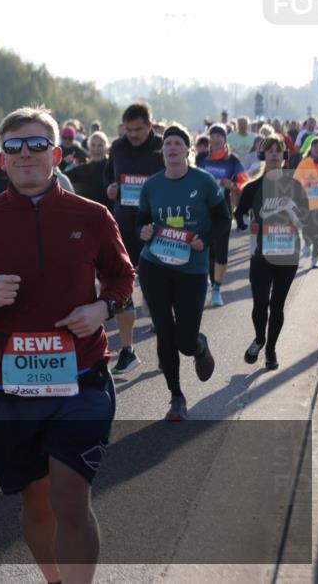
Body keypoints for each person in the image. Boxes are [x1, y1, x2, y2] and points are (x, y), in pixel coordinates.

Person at [0, 106, 134, 584]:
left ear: (55, 154)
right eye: (13, 147)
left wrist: (103, 309)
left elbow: (122, 274)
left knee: (70, 498)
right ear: (1, 160)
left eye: (35, 145)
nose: (24, 154)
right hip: (12, 388)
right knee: (38, 503)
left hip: (81, 378)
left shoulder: (91, 215)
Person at [137, 125, 228, 420]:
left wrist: (206, 239)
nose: (172, 148)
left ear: (187, 150)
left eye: (178, 143)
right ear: (162, 151)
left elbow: (222, 218)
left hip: (191, 268)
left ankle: (199, 345)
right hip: (155, 266)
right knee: (164, 332)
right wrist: (145, 230)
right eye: (168, 144)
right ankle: (176, 398)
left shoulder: (203, 181)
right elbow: (141, 220)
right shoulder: (151, 185)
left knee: (185, 341)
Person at [235, 137, 310, 369]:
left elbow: (306, 220)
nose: (275, 155)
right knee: (260, 303)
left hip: (287, 256)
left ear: (284, 155)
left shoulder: (294, 186)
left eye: (279, 151)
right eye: (270, 151)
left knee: (277, 306)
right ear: (262, 155)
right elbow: (239, 216)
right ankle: (259, 338)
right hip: (261, 256)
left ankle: (271, 350)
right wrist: (249, 224)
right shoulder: (252, 187)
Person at [103, 102, 164, 374]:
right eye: (128, 129)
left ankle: (166, 347)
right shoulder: (117, 147)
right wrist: (110, 188)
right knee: (122, 287)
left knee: (158, 292)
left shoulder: (162, 147)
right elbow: (108, 174)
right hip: (124, 226)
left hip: (155, 230)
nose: (133, 135)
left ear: (149, 126)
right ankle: (127, 351)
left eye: (138, 129)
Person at [195, 124, 247, 307]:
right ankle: (209, 284)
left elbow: (244, 184)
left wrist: (231, 186)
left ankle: (217, 289)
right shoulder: (201, 158)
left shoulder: (232, 160)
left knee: (221, 251)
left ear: (225, 139)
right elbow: (192, 178)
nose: (216, 139)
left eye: (219, 136)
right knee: (206, 250)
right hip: (202, 210)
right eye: (213, 136)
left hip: (223, 211)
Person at [295, 137, 318, 268]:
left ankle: (315, 257)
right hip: (307, 203)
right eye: (315, 146)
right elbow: (296, 180)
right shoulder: (305, 163)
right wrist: (307, 184)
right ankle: (307, 242)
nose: (317, 149)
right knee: (308, 229)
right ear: (311, 149)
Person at [68, 131, 112, 209]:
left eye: (100, 145)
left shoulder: (113, 168)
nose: (96, 149)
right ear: (88, 148)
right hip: (87, 214)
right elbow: (61, 178)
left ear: (106, 148)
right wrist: (64, 163)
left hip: (109, 214)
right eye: (93, 145)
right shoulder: (82, 169)